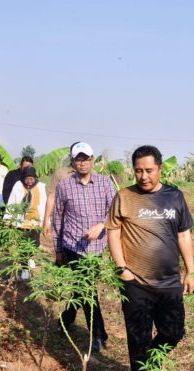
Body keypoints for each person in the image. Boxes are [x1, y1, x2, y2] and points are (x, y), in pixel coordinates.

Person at [106, 145, 194, 371]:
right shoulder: (125, 196)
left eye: (148, 170)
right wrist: (122, 268)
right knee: (138, 337)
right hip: (136, 282)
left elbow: (183, 235)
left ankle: (149, 363)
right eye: (138, 171)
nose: (143, 176)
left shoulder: (174, 196)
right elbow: (113, 232)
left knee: (174, 331)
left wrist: (190, 271)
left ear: (160, 168)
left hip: (168, 281)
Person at [52, 142, 116, 353]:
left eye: (86, 158)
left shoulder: (105, 183)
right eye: (78, 159)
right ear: (72, 161)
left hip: (96, 247)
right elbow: (58, 218)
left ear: (93, 159)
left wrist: (101, 225)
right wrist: (58, 248)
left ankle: (65, 320)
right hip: (73, 246)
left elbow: (116, 212)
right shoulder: (65, 185)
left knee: (82, 289)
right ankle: (99, 335)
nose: (83, 163)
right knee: (87, 289)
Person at [4, 166, 47, 280]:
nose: (29, 181)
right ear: (23, 178)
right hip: (21, 222)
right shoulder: (18, 185)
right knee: (23, 246)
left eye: (31, 179)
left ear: (35, 178)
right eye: (27, 178)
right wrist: (8, 219)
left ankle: (30, 260)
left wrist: (46, 222)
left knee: (34, 244)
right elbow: (12, 201)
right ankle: (25, 269)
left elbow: (44, 204)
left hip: (35, 222)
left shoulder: (41, 187)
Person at [43, 148, 78, 237]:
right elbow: (52, 196)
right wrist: (46, 220)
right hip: (62, 219)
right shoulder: (60, 173)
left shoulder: (93, 175)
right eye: (76, 155)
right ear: (70, 157)